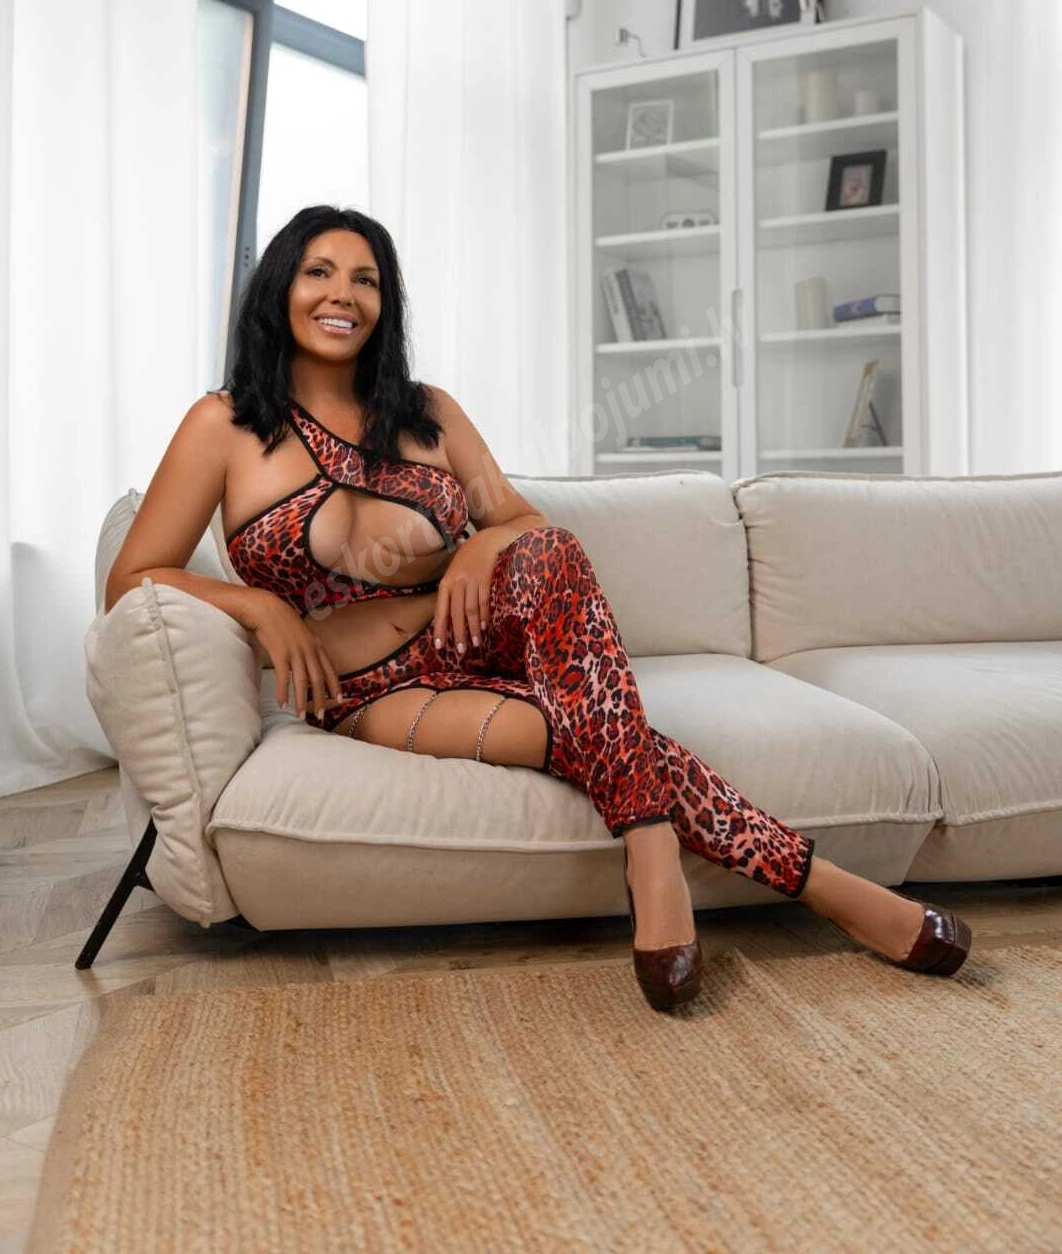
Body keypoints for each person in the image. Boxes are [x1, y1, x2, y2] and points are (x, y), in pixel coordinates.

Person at [105, 205, 973, 1011]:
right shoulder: (223, 425)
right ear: (280, 288)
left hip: (489, 638)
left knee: (549, 551)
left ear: (385, 303)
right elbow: (133, 577)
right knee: (608, 737)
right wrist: (259, 607)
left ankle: (650, 854)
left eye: (365, 279)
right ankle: (839, 893)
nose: (343, 296)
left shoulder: (428, 413)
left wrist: (480, 545)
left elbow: (521, 521)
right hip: (374, 691)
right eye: (319, 273)